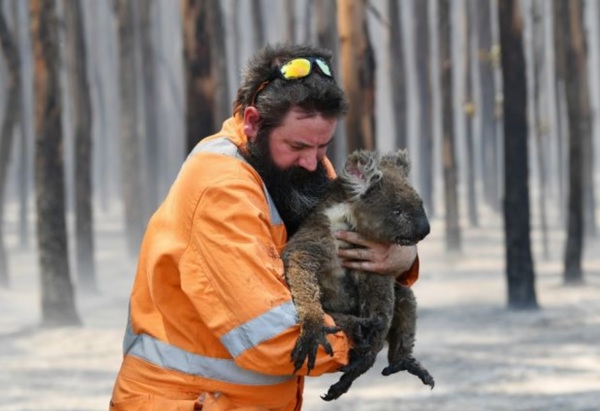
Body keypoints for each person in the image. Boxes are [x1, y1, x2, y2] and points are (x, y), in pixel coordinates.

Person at [109, 44, 420, 411]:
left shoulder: (300, 171)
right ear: (253, 122)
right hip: (186, 402)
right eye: (298, 145)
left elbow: (360, 240)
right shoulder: (220, 189)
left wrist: (404, 254)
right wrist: (367, 333)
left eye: (323, 146)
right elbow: (272, 338)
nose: (312, 161)